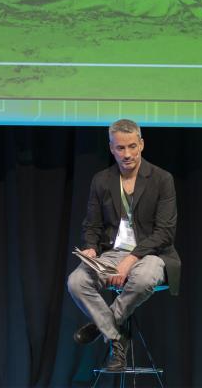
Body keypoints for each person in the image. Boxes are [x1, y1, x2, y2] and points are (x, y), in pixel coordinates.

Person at [67, 119, 181, 371]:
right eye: (120, 148)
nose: (127, 154)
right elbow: (92, 224)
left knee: (143, 279)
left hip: (151, 253)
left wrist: (131, 260)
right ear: (111, 148)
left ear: (141, 144)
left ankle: (102, 328)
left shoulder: (162, 179)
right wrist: (90, 248)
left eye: (132, 146)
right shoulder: (102, 180)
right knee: (76, 281)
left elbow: (165, 233)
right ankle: (117, 336)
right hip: (112, 253)